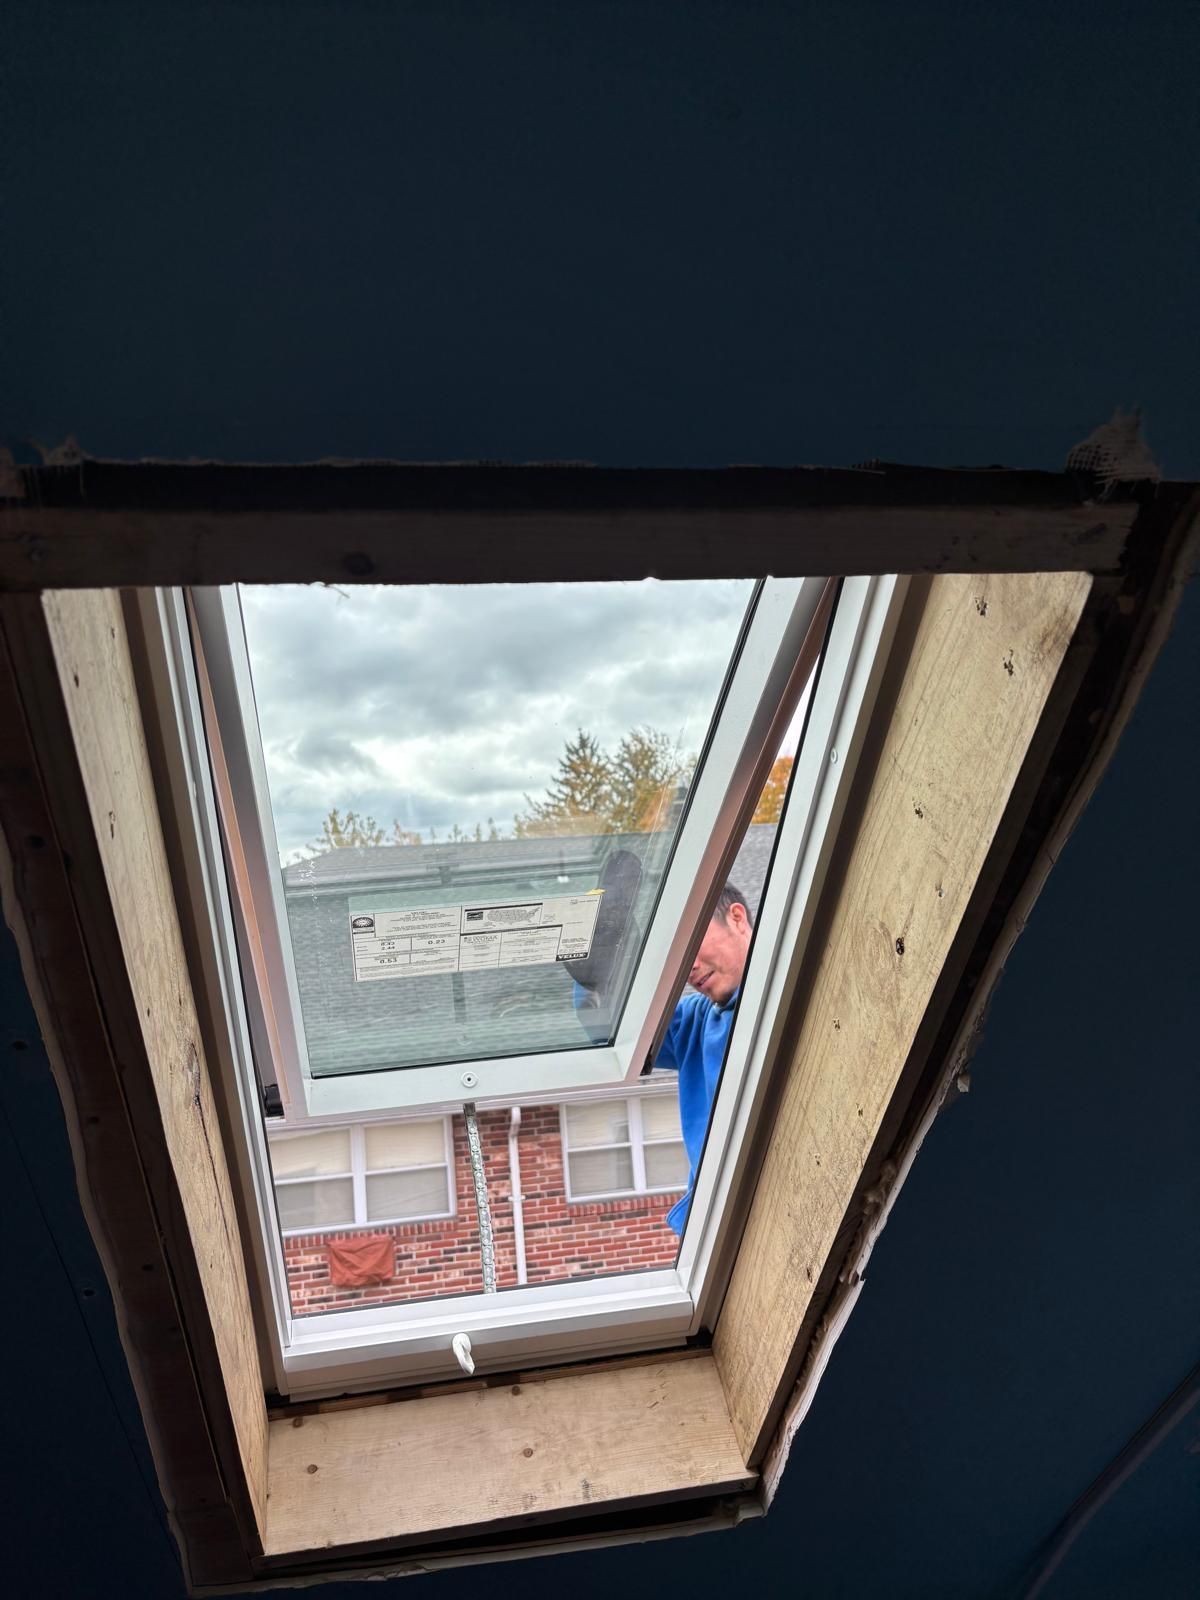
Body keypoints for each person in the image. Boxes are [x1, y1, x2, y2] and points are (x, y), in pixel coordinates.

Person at [571, 871, 753, 1236]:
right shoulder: (697, 1024)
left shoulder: (802, 975)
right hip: (726, 1230)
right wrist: (598, 960)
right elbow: (613, 1027)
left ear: (736, 917)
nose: (687, 968)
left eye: (692, 944)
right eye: (676, 957)